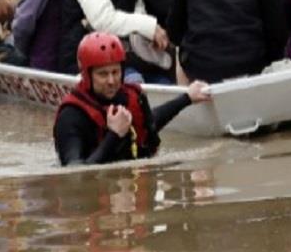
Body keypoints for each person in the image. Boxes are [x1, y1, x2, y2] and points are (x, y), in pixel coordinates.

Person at [53, 32, 211, 166]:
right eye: (103, 74)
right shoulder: (71, 115)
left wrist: (187, 98)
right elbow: (75, 175)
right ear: (87, 75)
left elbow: (149, 124)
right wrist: (114, 135)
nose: (111, 81)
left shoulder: (132, 96)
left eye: (115, 72)